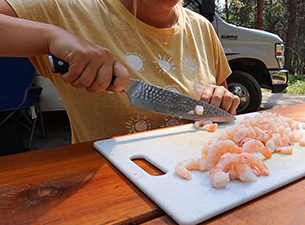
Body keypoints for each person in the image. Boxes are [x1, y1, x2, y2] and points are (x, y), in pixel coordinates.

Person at [0, 0, 240, 143]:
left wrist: (220, 99)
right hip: (111, 195)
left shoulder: (202, 28)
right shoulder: (71, 9)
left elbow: (222, 107)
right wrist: (53, 37)